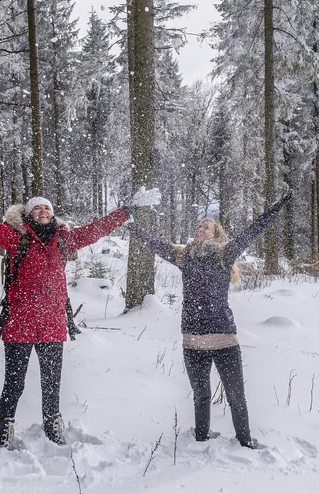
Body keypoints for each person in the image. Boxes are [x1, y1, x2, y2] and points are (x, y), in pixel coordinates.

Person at [0, 186, 132, 448]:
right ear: (27, 215)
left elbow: (96, 229)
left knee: (52, 384)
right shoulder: (16, 238)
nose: (43, 210)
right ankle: (3, 431)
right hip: (20, 324)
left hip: (52, 325)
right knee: (14, 384)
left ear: (53, 214)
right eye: (37, 207)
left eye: (46, 207)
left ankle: (53, 428)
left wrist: (126, 212)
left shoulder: (64, 240)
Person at [124, 188, 294, 448]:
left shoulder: (224, 255)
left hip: (224, 338)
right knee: (201, 396)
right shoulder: (184, 256)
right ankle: (200, 440)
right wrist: (131, 227)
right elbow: (155, 245)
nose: (200, 229)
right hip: (192, 340)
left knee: (236, 397)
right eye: (199, 226)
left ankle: (245, 442)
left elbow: (253, 231)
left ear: (216, 235)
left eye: (207, 227)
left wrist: (277, 207)